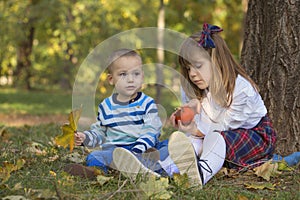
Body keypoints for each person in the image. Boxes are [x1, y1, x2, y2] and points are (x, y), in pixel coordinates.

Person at [167, 23, 299, 188]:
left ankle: (201, 173)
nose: (192, 74)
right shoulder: (194, 86)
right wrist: (186, 116)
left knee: (213, 137)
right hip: (215, 136)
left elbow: (222, 127)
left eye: (198, 66)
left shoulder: (240, 89)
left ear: (216, 61)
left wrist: (194, 129)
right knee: (191, 141)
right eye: (188, 69)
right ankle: (168, 171)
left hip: (254, 137)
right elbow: (200, 125)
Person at [66, 48, 169, 178]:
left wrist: (138, 149)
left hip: (142, 150)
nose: (130, 79)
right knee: (94, 156)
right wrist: (85, 138)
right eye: (123, 74)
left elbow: (152, 129)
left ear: (142, 77)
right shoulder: (106, 106)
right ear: (111, 79)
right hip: (115, 152)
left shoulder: (147, 103)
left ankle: (144, 167)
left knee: (168, 146)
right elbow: (100, 132)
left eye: (136, 74)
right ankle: (97, 173)